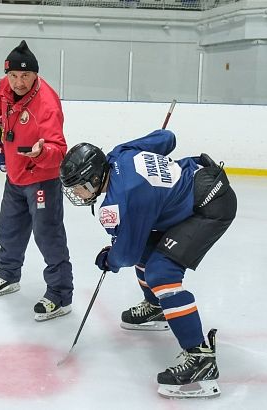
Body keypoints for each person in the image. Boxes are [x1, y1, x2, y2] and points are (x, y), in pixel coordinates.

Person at [59, 129, 237, 398]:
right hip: (197, 183)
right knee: (145, 248)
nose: (77, 194)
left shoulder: (121, 201)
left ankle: (201, 358)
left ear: (95, 177)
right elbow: (168, 138)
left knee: (161, 273)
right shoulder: (120, 153)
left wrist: (109, 258)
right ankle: (156, 307)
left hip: (210, 207)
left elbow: (126, 255)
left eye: (79, 186)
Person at [0, 40, 74, 322]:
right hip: (15, 174)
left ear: (36, 75)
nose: (18, 82)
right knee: (9, 228)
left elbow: (59, 150)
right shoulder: (4, 86)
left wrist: (42, 152)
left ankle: (60, 294)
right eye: (13, 75)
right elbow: (1, 115)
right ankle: (9, 274)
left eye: (25, 76)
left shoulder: (47, 104)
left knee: (48, 236)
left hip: (42, 179)